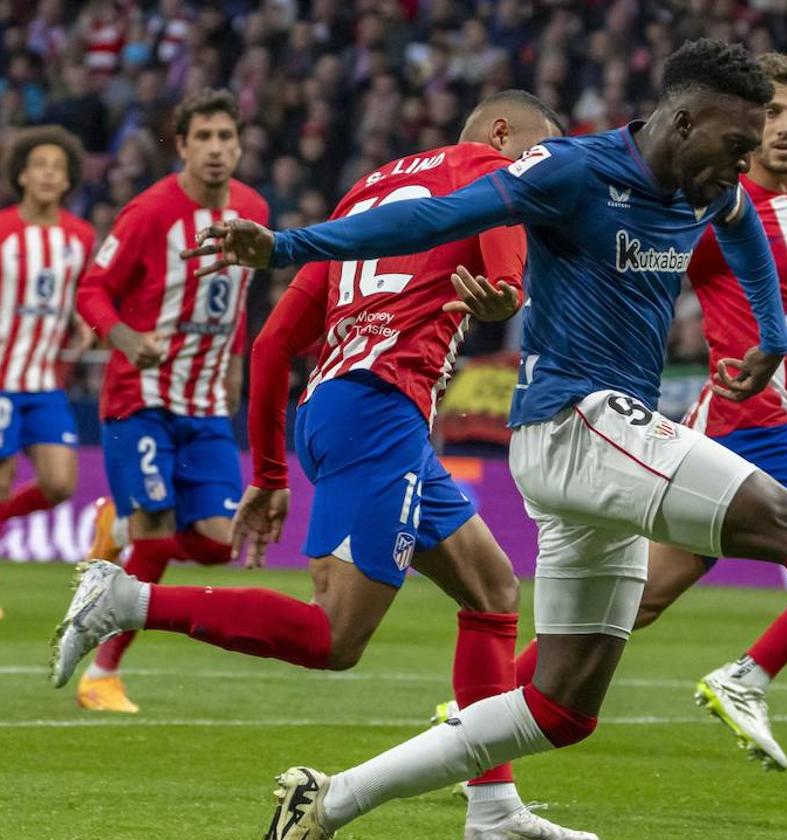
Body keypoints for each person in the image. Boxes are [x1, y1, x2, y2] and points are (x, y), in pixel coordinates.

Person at [122, 40, 787, 838]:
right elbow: (437, 215)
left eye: (758, 142)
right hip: (571, 422)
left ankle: (328, 799)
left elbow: (745, 232)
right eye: (735, 138)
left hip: (605, 447)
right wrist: (288, 246)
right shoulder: (572, 171)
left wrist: (761, 336)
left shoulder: (711, 185)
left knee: (562, 707)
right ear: (677, 120)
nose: (746, 159)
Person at [50, 90, 595, 840]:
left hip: (335, 406)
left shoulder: (368, 187)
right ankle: (127, 601)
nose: (538, 179)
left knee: (493, 587)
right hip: (380, 408)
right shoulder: (487, 171)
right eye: (535, 155)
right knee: (335, 639)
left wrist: (270, 474)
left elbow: (273, 344)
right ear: (502, 134)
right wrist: (505, 298)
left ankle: (493, 809)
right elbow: (505, 278)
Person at [495, 50, 787, 773]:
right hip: (747, 420)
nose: (784, 128)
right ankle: (745, 677)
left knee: (642, 598)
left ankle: (488, 704)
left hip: (776, 422)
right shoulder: (712, 201)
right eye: (774, 113)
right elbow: (629, 263)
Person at [66, 89, 269, 713]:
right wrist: (126, 338)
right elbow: (93, 289)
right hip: (140, 397)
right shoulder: (149, 213)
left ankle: (116, 526)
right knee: (156, 533)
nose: (215, 150)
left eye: (225, 138)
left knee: (215, 543)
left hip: (207, 402)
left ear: (239, 144)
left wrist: (235, 366)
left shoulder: (254, 210)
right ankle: (102, 674)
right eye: (202, 138)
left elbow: (233, 302)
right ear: (180, 145)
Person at [0, 126, 93, 532]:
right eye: (39, 165)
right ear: (21, 175)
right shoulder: (3, 230)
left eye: (57, 167)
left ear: (69, 179)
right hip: (2, 377)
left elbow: (83, 292)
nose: (48, 174)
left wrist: (83, 318)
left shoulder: (80, 237)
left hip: (45, 382)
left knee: (59, 483)